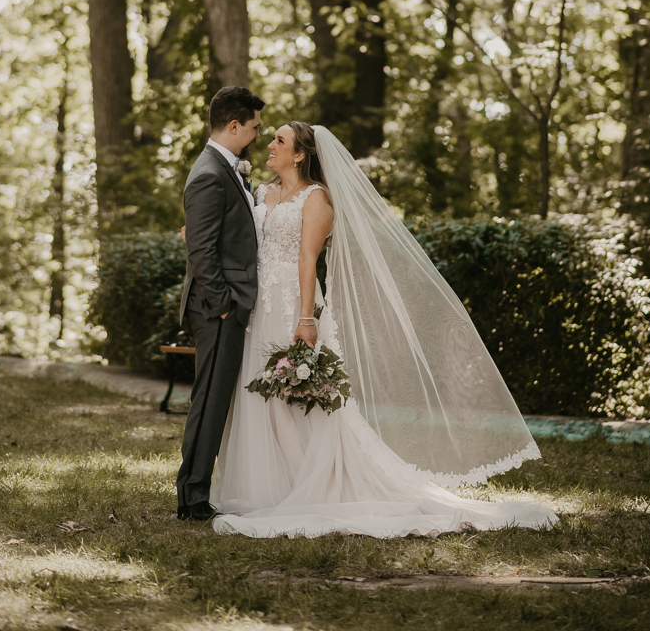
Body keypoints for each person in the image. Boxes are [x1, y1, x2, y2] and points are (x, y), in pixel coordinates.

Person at [211, 122, 557, 538]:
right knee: (258, 393)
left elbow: (307, 260)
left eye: (279, 141)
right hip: (256, 306)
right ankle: (265, 487)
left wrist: (306, 319)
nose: (269, 144)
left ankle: (306, 486)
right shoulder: (261, 193)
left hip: (292, 303)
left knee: (294, 397)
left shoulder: (317, 199)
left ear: (300, 154)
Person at [175, 85, 264, 521]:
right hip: (216, 309)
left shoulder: (222, 168)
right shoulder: (210, 172)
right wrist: (225, 303)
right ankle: (192, 497)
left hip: (222, 305)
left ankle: (195, 492)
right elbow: (201, 253)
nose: (256, 136)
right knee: (209, 403)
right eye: (253, 128)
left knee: (214, 402)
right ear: (234, 126)